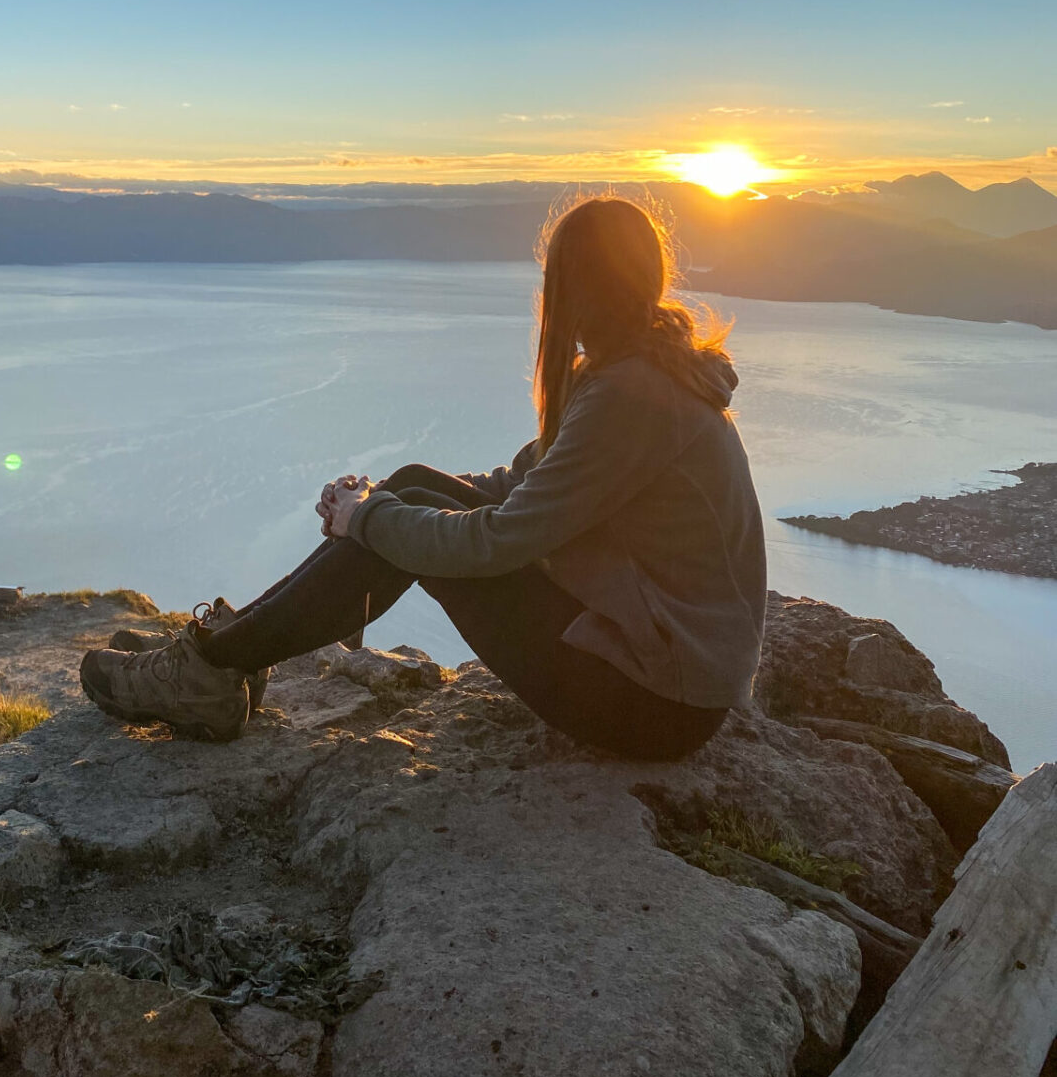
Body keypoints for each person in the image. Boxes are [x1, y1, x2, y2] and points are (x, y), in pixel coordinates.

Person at [79, 195, 767, 760]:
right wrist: (376, 504)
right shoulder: (639, 372)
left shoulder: (633, 394)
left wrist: (367, 521)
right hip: (661, 673)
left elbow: (495, 543)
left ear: (576, 288)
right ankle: (227, 654)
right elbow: (525, 481)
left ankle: (209, 666)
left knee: (401, 520)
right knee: (408, 485)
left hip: (655, 706)